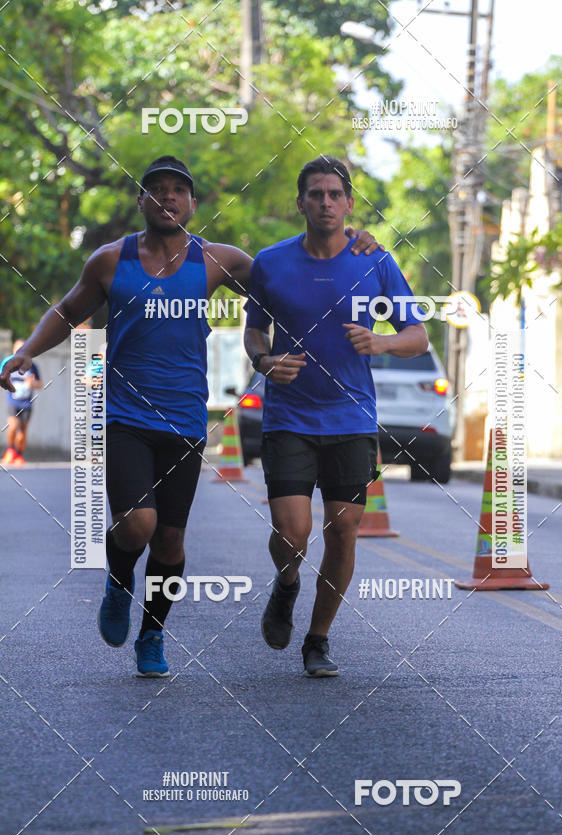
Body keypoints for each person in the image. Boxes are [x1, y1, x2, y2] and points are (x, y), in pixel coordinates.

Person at [0, 155, 382, 677]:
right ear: (141, 200)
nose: (167, 197)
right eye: (156, 188)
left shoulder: (216, 261)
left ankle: (152, 634)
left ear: (193, 204)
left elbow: (293, 272)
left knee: (170, 540)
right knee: (137, 524)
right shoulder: (111, 260)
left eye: (177, 190)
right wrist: (26, 351)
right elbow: (68, 311)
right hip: (125, 416)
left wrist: (352, 239)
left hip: (184, 421)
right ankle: (118, 580)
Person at [244, 155, 428, 677]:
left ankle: (318, 640)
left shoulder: (374, 260)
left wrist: (382, 341)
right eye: (316, 194)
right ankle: (286, 584)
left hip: (351, 418)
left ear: (348, 203)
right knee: (292, 532)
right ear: (300, 203)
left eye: (334, 195)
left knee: (344, 529)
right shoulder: (270, 262)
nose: (325, 202)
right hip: (288, 417)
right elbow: (254, 330)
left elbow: (417, 336)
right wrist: (263, 360)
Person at [1, 339, 43, 467]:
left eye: (22, 349)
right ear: (13, 350)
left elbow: (40, 383)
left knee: (23, 431)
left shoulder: (32, 365)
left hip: (26, 403)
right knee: (13, 426)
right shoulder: (8, 363)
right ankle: (10, 450)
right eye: (17, 349)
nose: (19, 351)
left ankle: (19, 454)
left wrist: (32, 384)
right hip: (13, 401)